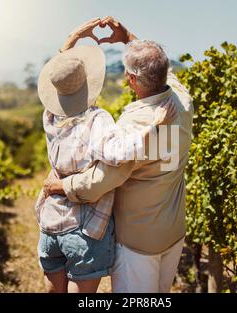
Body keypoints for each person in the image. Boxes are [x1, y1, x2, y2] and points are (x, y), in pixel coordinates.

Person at [44, 17, 194, 293]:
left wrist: (62, 185)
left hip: (138, 241)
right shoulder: (182, 100)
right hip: (173, 232)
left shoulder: (132, 128)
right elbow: (164, 70)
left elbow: (101, 180)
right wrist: (128, 37)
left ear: (131, 80)